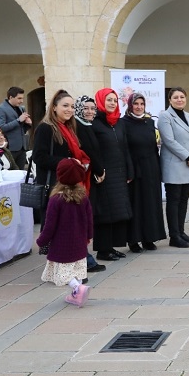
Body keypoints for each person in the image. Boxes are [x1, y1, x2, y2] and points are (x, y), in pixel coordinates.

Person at [36, 158, 93, 308]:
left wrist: (41, 240)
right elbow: (89, 219)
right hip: (79, 242)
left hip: (62, 245)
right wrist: (88, 235)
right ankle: (77, 295)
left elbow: (50, 225)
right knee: (77, 269)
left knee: (65, 272)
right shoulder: (83, 197)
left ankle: (78, 288)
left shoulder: (56, 199)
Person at [33, 90, 92, 228]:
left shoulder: (69, 128)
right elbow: (39, 157)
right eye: (65, 106)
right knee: (52, 225)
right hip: (53, 185)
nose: (69, 109)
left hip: (69, 185)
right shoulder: (45, 128)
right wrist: (68, 163)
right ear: (54, 107)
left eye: (72, 106)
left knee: (69, 225)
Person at [90, 88, 134, 261]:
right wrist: (98, 170)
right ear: (100, 101)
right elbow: (93, 150)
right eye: (108, 100)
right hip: (104, 174)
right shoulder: (95, 123)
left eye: (114, 100)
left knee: (117, 211)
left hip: (120, 172)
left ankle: (111, 247)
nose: (112, 103)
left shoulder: (119, 123)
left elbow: (125, 148)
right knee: (105, 213)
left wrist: (129, 169)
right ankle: (102, 249)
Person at [122, 93, 166, 251]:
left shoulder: (149, 122)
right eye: (136, 104)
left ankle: (149, 238)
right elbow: (124, 148)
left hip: (151, 168)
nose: (139, 107)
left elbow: (154, 147)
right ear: (130, 105)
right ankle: (134, 240)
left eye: (142, 104)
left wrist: (158, 168)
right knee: (136, 204)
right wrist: (129, 170)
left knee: (150, 203)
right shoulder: (124, 123)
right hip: (135, 169)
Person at [158, 87, 189, 248]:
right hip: (174, 165)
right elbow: (169, 141)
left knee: (184, 200)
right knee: (174, 200)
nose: (179, 100)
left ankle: (181, 232)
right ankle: (174, 236)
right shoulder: (165, 116)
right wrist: (188, 156)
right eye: (175, 97)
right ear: (170, 100)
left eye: (182, 97)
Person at [72, 96, 107, 272]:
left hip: (91, 178)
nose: (90, 112)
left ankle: (85, 257)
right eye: (86, 108)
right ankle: (84, 258)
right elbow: (89, 152)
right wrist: (99, 170)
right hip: (84, 180)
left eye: (93, 108)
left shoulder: (87, 125)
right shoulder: (79, 127)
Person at [0, 87, 32, 170]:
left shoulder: (21, 108)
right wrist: (18, 120)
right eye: (19, 98)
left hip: (22, 148)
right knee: (10, 173)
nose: (21, 101)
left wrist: (28, 124)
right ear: (11, 97)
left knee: (20, 173)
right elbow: (1, 128)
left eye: (22, 98)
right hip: (9, 148)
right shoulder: (0, 109)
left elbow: (21, 130)